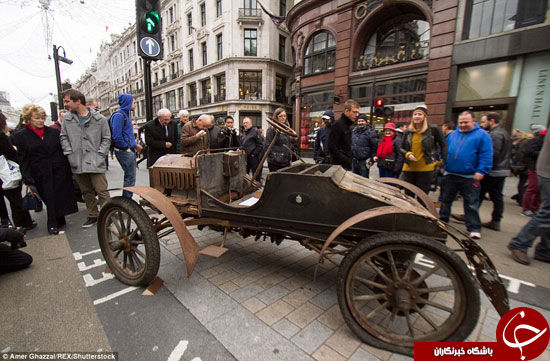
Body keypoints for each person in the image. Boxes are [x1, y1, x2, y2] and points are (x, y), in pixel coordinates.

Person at [16, 104, 78, 234]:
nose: (40, 121)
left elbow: (61, 150)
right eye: (37, 118)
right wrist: (26, 175)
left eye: (42, 118)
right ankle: (53, 221)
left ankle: (56, 220)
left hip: (58, 169)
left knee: (58, 195)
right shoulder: (21, 136)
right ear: (29, 119)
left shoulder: (53, 132)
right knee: (48, 196)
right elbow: (23, 158)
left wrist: (68, 167)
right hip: (39, 172)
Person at [439, 111, 493, 240]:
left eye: (466, 122)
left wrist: (481, 171)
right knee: (445, 200)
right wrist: (442, 165)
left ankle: (474, 228)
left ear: (473, 121)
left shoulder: (482, 136)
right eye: (460, 122)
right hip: (450, 174)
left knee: (471, 204)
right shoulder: (452, 135)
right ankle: (442, 222)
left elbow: (486, 155)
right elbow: (444, 151)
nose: (463, 125)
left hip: (470, 177)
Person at [60, 89, 110, 228]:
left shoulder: (99, 119)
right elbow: (63, 137)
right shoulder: (67, 119)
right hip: (77, 161)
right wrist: (69, 154)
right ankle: (93, 215)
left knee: (102, 191)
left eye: (67, 101)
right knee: (86, 191)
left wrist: (100, 155)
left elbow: (106, 138)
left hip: (96, 161)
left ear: (78, 101)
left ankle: (107, 216)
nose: (65, 104)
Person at [508, 126, 550, 265]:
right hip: (547, 172)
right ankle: (520, 243)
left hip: (543, 170)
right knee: (547, 212)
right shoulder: (537, 140)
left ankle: (545, 249)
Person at [0, 111, 36, 231]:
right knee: (16, 199)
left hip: (3, 174)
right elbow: (11, 153)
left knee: (13, 200)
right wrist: (14, 150)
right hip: (7, 173)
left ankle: (17, 222)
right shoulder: (2, 137)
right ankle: (23, 223)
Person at [400, 105, 446, 194]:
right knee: (409, 196)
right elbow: (401, 148)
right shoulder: (408, 131)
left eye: (420, 114)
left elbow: (443, 144)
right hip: (409, 168)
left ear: (425, 117)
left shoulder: (433, 129)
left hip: (426, 168)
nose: (417, 116)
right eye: (415, 114)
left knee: (422, 196)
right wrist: (407, 154)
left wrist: (442, 160)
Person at [478, 113, 511, 231]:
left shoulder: (495, 134)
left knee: (479, 194)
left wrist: (482, 168)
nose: (482, 124)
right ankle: (496, 220)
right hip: (501, 170)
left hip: (493, 170)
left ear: (491, 121)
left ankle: (471, 217)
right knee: (497, 196)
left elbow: (492, 154)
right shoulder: (504, 132)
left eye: (483, 122)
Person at [110, 93, 142, 198]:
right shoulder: (119, 115)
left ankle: (128, 198)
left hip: (128, 150)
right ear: (127, 102)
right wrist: (126, 147)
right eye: (134, 102)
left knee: (130, 177)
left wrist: (134, 145)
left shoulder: (124, 114)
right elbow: (117, 136)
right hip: (124, 151)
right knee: (130, 177)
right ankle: (127, 200)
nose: (135, 104)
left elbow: (126, 134)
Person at [521, 124, 546, 217]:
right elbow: (530, 152)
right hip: (534, 167)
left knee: (539, 189)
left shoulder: (542, 139)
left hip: (541, 168)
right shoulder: (537, 140)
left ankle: (534, 208)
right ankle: (526, 208)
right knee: (533, 188)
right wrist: (543, 153)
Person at [328, 99, 360, 170]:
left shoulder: (350, 125)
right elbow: (331, 146)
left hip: (348, 164)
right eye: (354, 112)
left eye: (358, 112)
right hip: (339, 166)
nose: (357, 115)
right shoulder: (338, 125)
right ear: (347, 111)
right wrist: (346, 159)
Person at [264, 107, 294, 172]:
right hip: (275, 163)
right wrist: (275, 157)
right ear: (276, 117)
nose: (283, 118)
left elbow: (288, 145)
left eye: (284, 116)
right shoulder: (271, 130)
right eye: (281, 116)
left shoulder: (287, 130)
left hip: (285, 162)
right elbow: (267, 146)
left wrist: (289, 158)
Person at [241, 117, 264, 181]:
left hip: (254, 157)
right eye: (244, 123)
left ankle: (256, 189)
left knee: (256, 175)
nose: (245, 124)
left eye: (247, 123)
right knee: (246, 175)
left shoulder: (255, 131)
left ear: (251, 123)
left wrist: (254, 154)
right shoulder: (244, 132)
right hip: (246, 157)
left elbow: (260, 145)